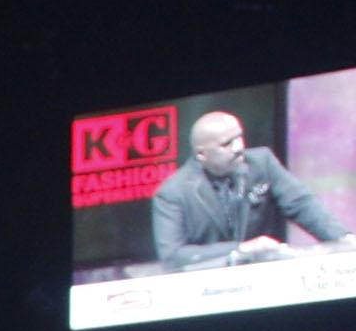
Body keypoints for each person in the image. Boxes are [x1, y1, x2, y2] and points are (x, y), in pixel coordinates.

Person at [151, 112, 356, 270]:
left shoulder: (261, 163)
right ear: (201, 155)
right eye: (226, 144)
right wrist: (240, 249)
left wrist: (342, 239)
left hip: (264, 275)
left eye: (239, 137)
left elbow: (302, 204)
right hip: (209, 283)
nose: (239, 147)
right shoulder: (173, 193)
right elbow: (173, 256)